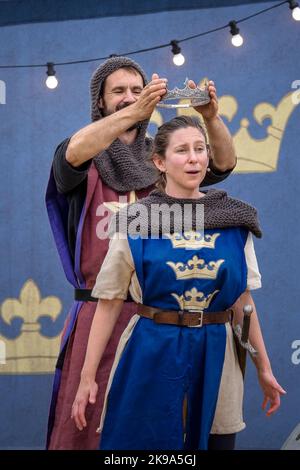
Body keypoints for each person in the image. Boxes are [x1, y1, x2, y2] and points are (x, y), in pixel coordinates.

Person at [46, 56, 237, 449]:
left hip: (157, 317)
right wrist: (136, 111)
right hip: (98, 314)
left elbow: (223, 163)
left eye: (137, 90)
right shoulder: (85, 153)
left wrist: (211, 117)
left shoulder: (164, 157)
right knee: (84, 428)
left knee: (156, 432)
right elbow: (72, 152)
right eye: (118, 91)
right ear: (99, 102)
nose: (129, 98)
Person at [71, 115, 286, 450]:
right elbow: (110, 302)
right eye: (182, 150)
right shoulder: (135, 221)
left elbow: (242, 302)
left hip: (217, 351)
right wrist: (87, 379)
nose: (194, 158)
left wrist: (264, 368)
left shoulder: (234, 219)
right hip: (152, 349)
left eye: (200, 149)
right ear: (159, 161)